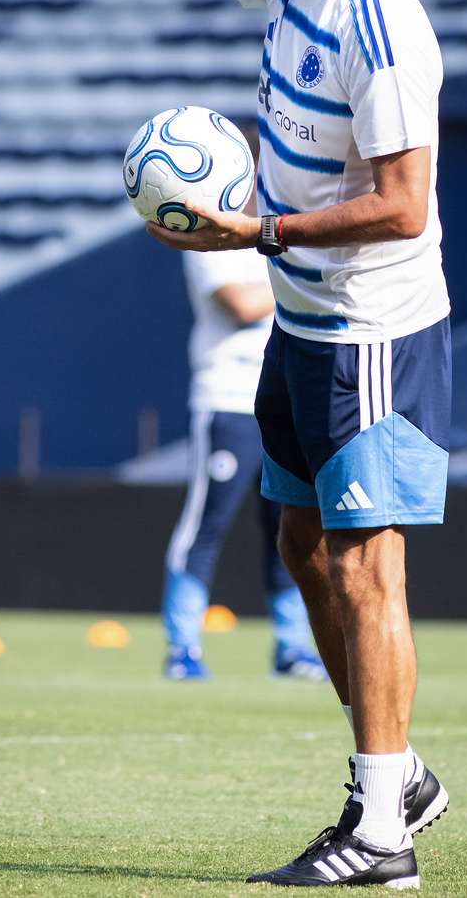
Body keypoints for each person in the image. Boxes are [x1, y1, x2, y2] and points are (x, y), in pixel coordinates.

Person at [0, 0, 450, 890]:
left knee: (368, 571)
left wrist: (254, 230)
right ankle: (398, 775)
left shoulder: (384, 26)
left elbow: (405, 206)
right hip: (302, 326)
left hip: (371, 329)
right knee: (304, 555)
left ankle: (380, 836)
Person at [164, 170, 326, 682]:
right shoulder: (208, 235)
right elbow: (240, 302)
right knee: (205, 525)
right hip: (227, 401)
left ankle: (292, 647)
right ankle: (182, 648)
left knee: (288, 526)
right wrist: (301, 272)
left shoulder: (272, 231)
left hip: (281, 397)